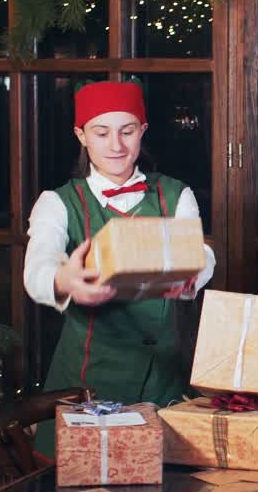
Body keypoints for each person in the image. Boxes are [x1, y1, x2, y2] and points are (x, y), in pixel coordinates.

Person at [23, 81, 215, 456]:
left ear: (142, 131)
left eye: (127, 132)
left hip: (163, 381)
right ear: (81, 136)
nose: (116, 145)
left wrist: (191, 273)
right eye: (101, 133)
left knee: (165, 480)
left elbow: (200, 252)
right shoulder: (57, 203)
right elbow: (38, 266)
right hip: (86, 386)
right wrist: (64, 279)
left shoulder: (176, 195)